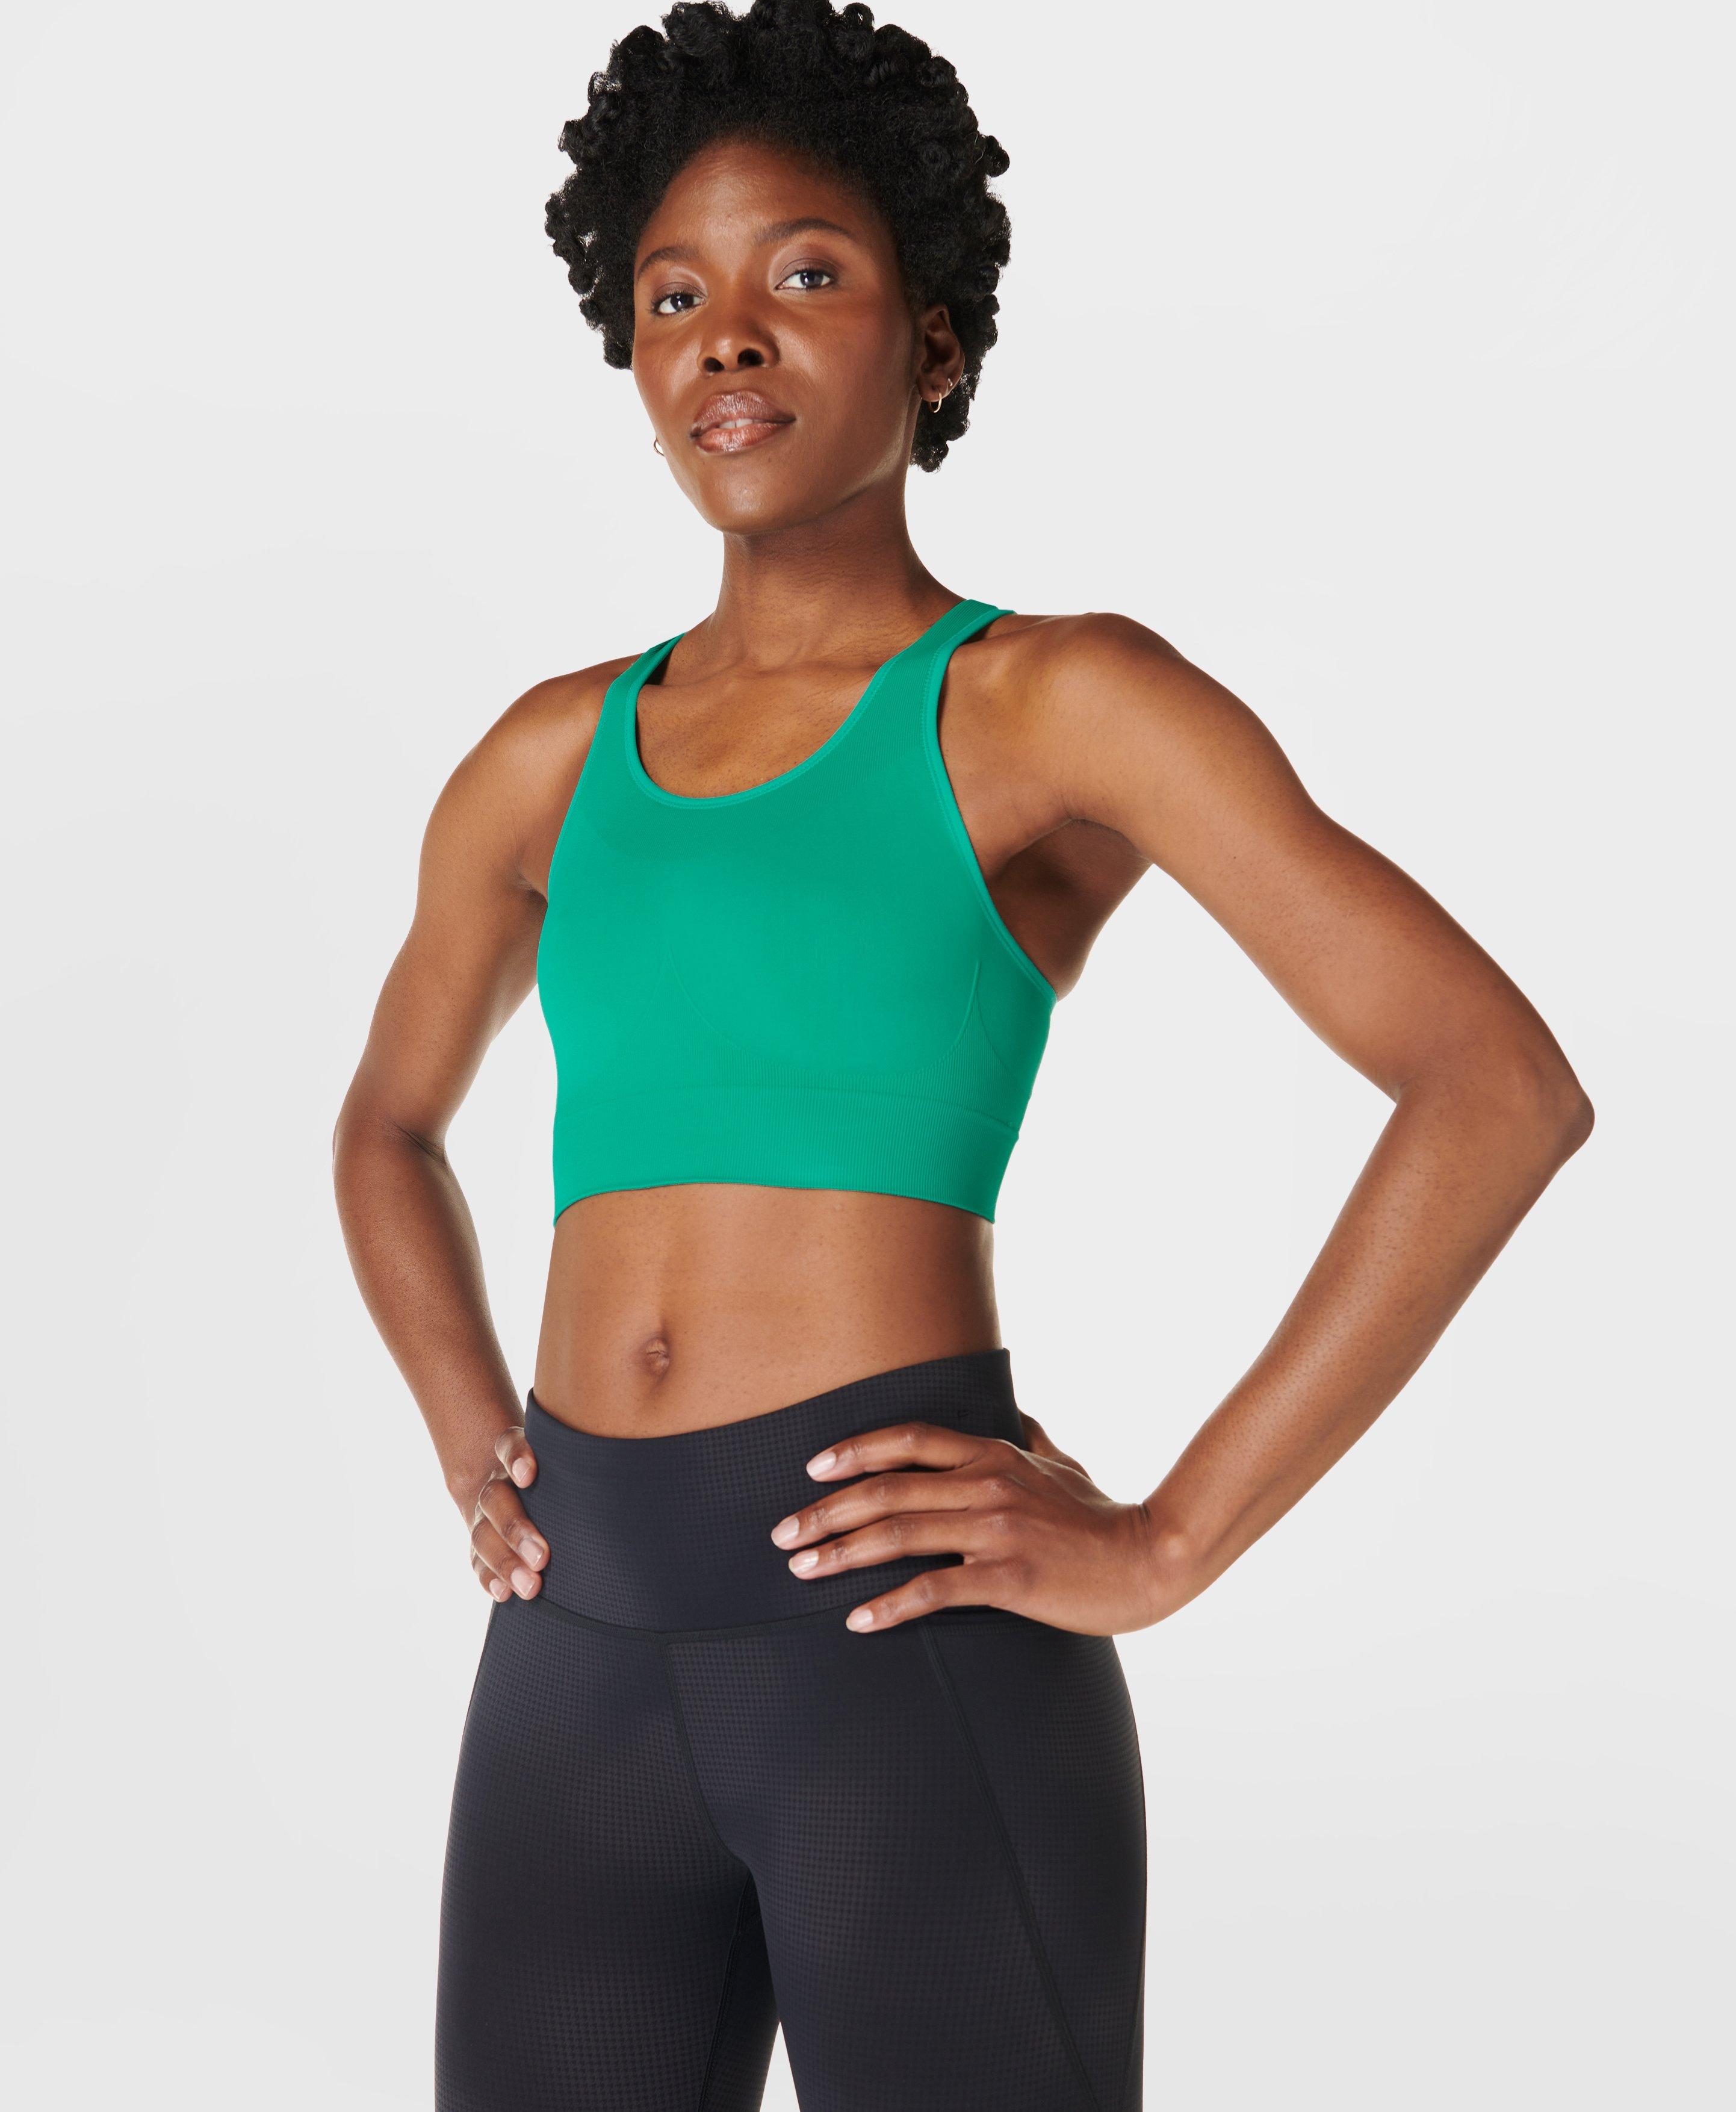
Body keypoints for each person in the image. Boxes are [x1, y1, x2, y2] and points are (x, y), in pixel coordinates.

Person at [332, 2, 1593, 2105]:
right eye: (674, 296)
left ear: (931, 341)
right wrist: (478, 1435)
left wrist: (1166, 1538)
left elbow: (1495, 1085)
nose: (728, 337)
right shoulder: (543, 757)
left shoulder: (1050, 705)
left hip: (901, 1650)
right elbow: (386, 1126)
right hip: (569, 1657)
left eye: (805, 272)